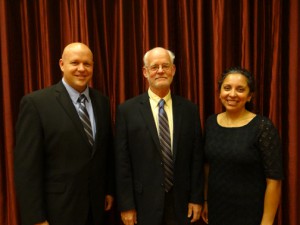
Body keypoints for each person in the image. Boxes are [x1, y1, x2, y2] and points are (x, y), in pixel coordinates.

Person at [14, 42, 114, 225]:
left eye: (87, 64)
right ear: (62, 65)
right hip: (57, 210)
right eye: (75, 63)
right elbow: (26, 167)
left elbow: (104, 152)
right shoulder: (36, 103)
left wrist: (108, 189)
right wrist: (35, 218)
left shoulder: (102, 102)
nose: (81, 69)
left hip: (96, 208)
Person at [114, 47, 204, 225]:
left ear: (173, 70)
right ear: (145, 72)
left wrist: (197, 198)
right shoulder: (127, 110)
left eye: (165, 66)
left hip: (181, 203)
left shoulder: (189, 110)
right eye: (155, 67)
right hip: (142, 203)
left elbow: (196, 158)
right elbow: (121, 162)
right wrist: (126, 205)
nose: (161, 71)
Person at [201, 67, 284, 225]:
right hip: (217, 210)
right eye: (227, 88)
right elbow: (207, 166)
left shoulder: (262, 127)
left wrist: (267, 221)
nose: (232, 94)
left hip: (250, 212)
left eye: (240, 89)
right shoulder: (211, 123)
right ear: (219, 93)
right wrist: (205, 200)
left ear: (249, 96)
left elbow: (274, 180)